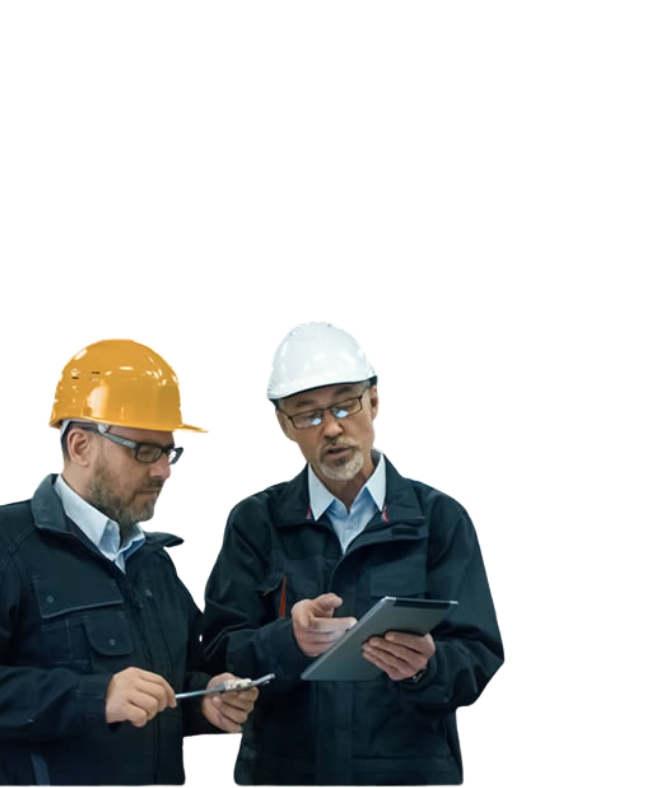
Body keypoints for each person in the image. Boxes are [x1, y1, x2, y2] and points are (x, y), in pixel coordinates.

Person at [0, 339, 259, 785]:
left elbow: (175, 680)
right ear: (80, 445)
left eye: (168, 451)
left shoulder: (152, 564)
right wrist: (93, 697)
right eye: (145, 451)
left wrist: (205, 700)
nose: (163, 470)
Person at [202, 322, 503, 785]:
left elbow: (479, 653)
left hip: (405, 775)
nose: (333, 428)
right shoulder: (255, 524)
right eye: (308, 415)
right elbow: (221, 654)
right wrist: (288, 641)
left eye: (346, 404)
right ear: (284, 424)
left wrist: (428, 667)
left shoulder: (439, 520)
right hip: (285, 775)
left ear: (374, 402)